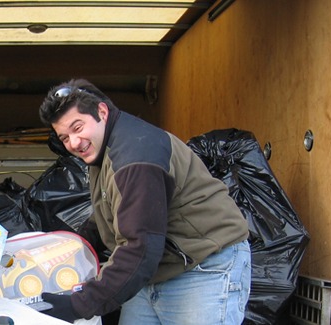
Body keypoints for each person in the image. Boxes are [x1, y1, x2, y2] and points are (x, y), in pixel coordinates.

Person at [37, 79, 251, 325]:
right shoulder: (103, 148)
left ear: (101, 112)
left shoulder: (135, 157)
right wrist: (67, 249)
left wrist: (79, 304)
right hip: (155, 269)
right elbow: (112, 212)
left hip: (203, 265)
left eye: (77, 127)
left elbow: (140, 247)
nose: (74, 143)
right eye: (64, 137)